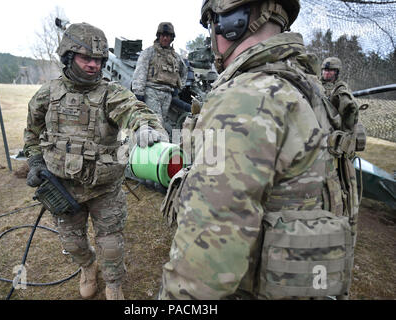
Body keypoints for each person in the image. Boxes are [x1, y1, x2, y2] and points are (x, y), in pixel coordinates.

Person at [159, 0, 360, 300]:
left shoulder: (245, 98)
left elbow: (204, 269)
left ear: (229, 23)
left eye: (211, 25)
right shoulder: (309, 91)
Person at [23, 22, 167, 300]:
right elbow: (31, 132)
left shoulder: (110, 93)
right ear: (68, 56)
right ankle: (88, 268)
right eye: (86, 57)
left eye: (98, 59)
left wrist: (145, 127)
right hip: (63, 187)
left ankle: (114, 283)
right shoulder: (47, 94)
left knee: (111, 244)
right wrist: (36, 162)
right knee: (73, 243)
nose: (93, 65)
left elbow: (133, 109)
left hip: (104, 188)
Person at [131, 22, 187, 134]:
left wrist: (179, 87)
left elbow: (183, 72)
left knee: (163, 121)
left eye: (168, 36)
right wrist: (139, 93)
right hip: (152, 91)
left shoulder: (175, 57)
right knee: (157, 122)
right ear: (158, 36)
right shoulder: (149, 52)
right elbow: (140, 72)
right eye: (163, 35)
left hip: (167, 94)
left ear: (172, 38)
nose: (165, 38)